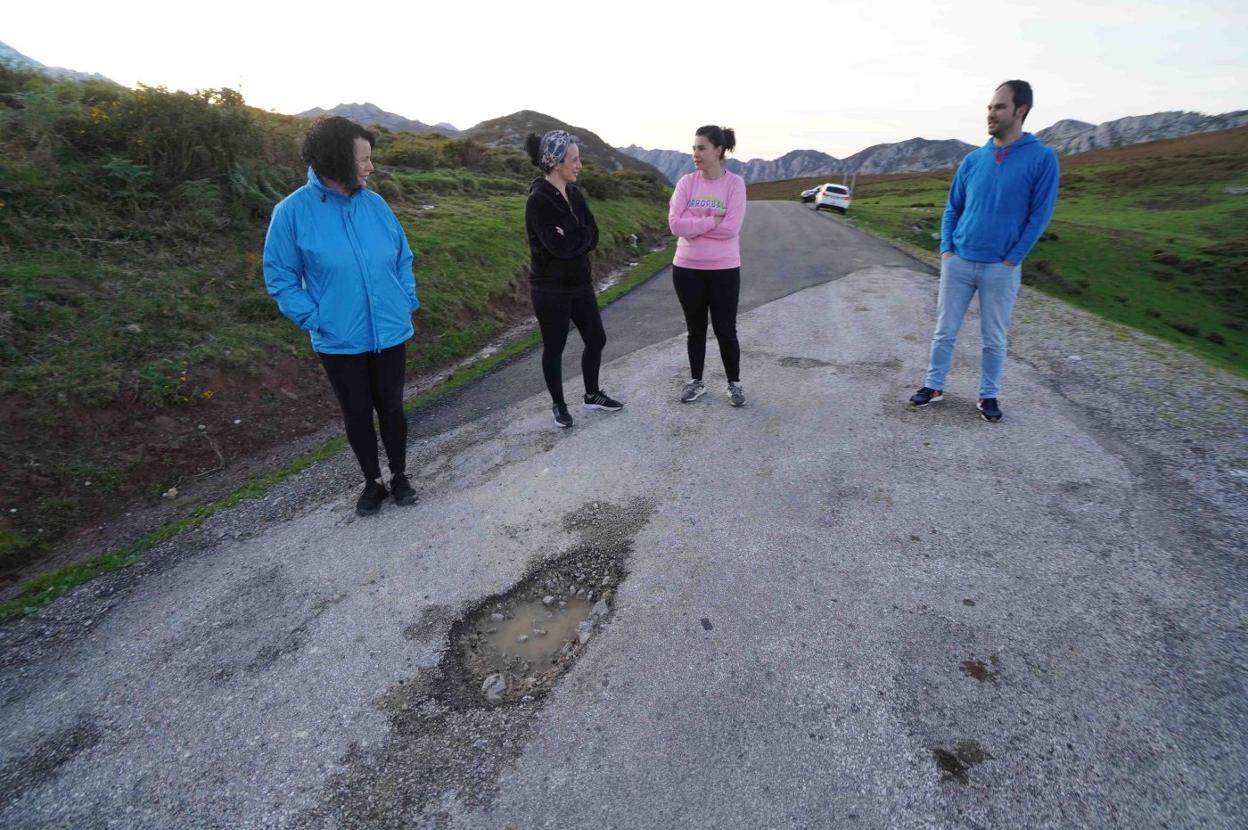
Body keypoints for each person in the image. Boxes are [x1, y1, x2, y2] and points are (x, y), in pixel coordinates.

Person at [263, 117, 420, 515]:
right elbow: (279, 276)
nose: (370, 167)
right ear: (336, 159)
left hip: (390, 329)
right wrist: (315, 318)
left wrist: (406, 299)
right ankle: (372, 482)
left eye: (371, 159)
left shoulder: (376, 204)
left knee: (392, 407)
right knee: (356, 414)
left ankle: (400, 475)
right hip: (338, 337)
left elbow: (402, 256)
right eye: (363, 159)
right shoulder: (292, 212)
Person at [909, 80, 1059, 422]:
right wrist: (947, 249)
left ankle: (988, 395)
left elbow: (1040, 215)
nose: (991, 113)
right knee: (944, 330)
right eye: (990, 107)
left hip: (1000, 268)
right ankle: (933, 386)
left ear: (1020, 110)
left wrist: (1012, 259)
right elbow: (952, 208)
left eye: (999, 107)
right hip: (959, 260)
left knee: (994, 337)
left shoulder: (1042, 158)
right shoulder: (973, 160)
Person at [523, 129, 623, 428]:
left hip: (580, 284)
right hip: (550, 290)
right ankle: (559, 404)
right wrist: (578, 237)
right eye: (575, 160)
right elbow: (559, 247)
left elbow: (593, 234)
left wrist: (575, 235)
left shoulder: (575, 193)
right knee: (554, 347)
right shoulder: (538, 200)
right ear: (556, 163)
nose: (580, 165)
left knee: (596, 338)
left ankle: (592, 395)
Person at [668, 125, 748, 407]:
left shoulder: (734, 184)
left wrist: (695, 223)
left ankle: (734, 384)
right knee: (695, 329)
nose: (695, 154)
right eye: (694, 148)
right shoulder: (686, 183)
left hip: (724, 269)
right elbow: (675, 225)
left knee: (725, 329)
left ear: (718, 150)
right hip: (686, 269)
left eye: (701, 148)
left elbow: (731, 228)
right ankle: (696, 381)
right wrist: (712, 219)